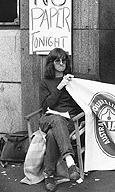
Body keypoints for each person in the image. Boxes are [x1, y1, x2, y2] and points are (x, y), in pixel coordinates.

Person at [39, 48, 82, 192]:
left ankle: (49, 175)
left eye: (64, 60)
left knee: (52, 134)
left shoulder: (72, 80)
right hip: (48, 119)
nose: (61, 63)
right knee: (56, 119)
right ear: (51, 63)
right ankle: (70, 162)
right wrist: (59, 86)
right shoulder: (46, 82)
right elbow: (46, 105)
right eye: (58, 60)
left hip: (67, 121)